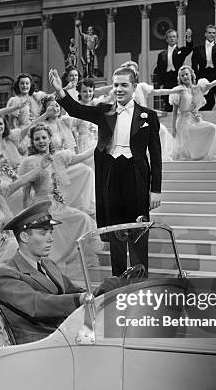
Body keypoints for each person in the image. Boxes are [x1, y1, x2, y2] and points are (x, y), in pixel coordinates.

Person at [50, 66, 161, 276]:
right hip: (111, 175)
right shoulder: (104, 111)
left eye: (124, 85)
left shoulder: (149, 116)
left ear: (134, 87)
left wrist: (156, 190)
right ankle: (118, 281)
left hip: (136, 177)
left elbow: (155, 156)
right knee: (115, 231)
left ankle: (139, 281)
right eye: (116, 84)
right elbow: (76, 110)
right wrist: (61, 92)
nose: (119, 89)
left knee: (138, 231)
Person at [0, 200, 87, 344]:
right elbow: (37, 304)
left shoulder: (48, 264)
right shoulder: (5, 274)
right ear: (24, 237)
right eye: (43, 233)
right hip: (37, 343)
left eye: (51, 232)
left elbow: (73, 290)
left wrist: (102, 292)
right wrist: (79, 298)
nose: (51, 239)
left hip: (63, 334)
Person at [18, 123, 100, 276]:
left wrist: (99, 144)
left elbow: (81, 156)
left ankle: (69, 259)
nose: (41, 141)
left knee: (83, 219)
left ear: (50, 139)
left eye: (44, 137)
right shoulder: (30, 162)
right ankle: (48, 264)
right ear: (33, 142)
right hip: (40, 206)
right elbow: (26, 194)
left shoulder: (58, 158)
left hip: (57, 204)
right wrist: (26, 217)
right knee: (48, 231)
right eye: (37, 139)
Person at [94, 61, 181, 161]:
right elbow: (106, 90)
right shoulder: (121, 87)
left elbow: (158, 91)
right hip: (126, 119)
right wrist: (92, 90)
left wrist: (174, 91)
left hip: (143, 119)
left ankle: (158, 156)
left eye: (134, 71)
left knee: (162, 130)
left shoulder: (141, 86)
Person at [35, 94, 96, 215]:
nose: (56, 109)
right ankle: (65, 203)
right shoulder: (43, 126)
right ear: (46, 110)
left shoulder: (63, 123)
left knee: (87, 170)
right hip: (52, 162)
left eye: (57, 106)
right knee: (84, 170)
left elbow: (70, 145)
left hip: (65, 159)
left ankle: (84, 205)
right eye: (52, 107)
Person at [169, 66, 216, 161]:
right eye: (182, 76)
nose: (184, 77)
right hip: (184, 123)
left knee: (214, 128)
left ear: (191, 75)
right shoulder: (178, 90)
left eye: (186, 74)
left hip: (196, 119)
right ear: (179, 78)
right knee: (187, 146)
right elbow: (174, 111)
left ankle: (210, 154)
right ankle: (193, 155)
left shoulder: (198, 88)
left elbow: (213, 83)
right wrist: (173, 128)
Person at [154, 28, 193, 111]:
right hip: (167, 81)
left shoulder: (181, 51)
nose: (172, 38)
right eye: (170, 37)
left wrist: (189, 38)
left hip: (178, 80)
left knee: (180, 102)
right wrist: (160, 84)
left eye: (174, 37)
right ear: (167, 39)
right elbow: (159, 71)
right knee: (168, 104)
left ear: (177, 39)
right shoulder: (161, 54)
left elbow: (189, 48)